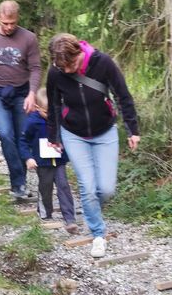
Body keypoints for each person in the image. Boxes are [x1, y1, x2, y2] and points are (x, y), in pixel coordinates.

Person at [45, 33, 140, 258]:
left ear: (79, 53)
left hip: (105, 131)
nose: (68, 71)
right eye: (62, 67)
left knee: (106, 189)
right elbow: (54, 105)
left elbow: (123, 95)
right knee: (87, 188)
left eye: (71, 65)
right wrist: (54, 136)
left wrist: (132, 130)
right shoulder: (56, 72)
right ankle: (98, 234)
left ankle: (93, 207)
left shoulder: (103, 62)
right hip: (73, 134)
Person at [0, 0, 42, 200]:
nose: (9, 27)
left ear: (18, 18)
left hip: (21, 92)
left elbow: (35, 68)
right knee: (5, 134)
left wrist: (32, 93)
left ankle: (20, 183)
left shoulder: (29, 38)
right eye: (5, 23)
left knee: (22, 136)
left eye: (13, 23)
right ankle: (18, 182)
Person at [19, 88, 79, 235]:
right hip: (42, 162)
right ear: (37, 108)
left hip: (59, 161)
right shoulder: (32, 122)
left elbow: (70, 135)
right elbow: (23, 141)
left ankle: (69, 218)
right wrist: (28, 158)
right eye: (47, 112)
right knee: (45, 187)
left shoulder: (61, 119)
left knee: (63, 186)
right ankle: (45, 213)